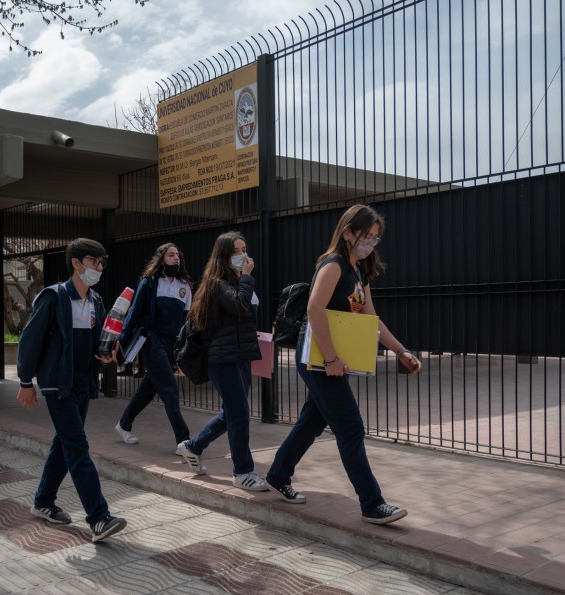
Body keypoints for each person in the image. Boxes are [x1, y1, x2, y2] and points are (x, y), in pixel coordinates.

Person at [265, 204, 422, 525]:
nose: (370, 244)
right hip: (319, 359)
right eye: (366, 237)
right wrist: (333, 358)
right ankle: (371, 503)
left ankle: (278, 474)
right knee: (351, 428)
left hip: (332, 360)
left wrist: (400, 351)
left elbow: (371, 320)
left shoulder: (359, 271)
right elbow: (314, 310)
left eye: (375, 239)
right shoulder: (333, 265)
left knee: (312, 421)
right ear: (348, 232)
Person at [16, 238, 128, 544]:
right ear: (76, 264)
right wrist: (26, 382)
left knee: (64, 444)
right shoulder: (53, 297)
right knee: (78, 447)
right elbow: (30, 340)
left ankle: (43, 502)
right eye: (94, 261)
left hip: (82, 383)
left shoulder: (96, 302)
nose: (99, 268)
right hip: (57, 384)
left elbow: (94, 346)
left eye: (102, 262)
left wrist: (105, 357)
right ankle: (99, 518)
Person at [175, 231, 268, 491]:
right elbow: (239, 305)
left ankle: (192, 446)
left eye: (245, 249)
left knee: (232, 412)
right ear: (224, 256)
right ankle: (243, 472)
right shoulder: (218, 283)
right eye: (237, 251)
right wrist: (247, 278)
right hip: (221, 358)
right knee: (239, 413)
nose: (243, 256)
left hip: (240, 356)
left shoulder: (239, 281)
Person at [114, 243, 193, 448]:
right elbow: (134, 314)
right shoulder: (149, 283)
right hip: (152, 340)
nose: (176, 258)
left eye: (178, 254)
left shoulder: (184, 287)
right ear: (161, 258)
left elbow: (185, 321)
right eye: (171, 254)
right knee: (170, 389)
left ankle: (124, 424)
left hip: (171, 344)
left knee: (149, 388)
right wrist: (120, 342)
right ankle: (184, 440)